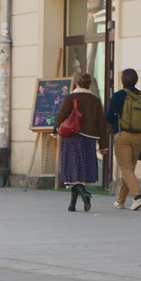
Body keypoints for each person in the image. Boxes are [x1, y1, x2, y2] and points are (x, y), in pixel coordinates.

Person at [54, 73, 108, 212]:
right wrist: (103, 145)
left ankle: (84, 194)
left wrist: (55, 129)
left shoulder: (71, 97)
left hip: (71, 137)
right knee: (82, 169)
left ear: (76, 83)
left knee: (72, 169)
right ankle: (72, 204)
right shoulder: (95, 100)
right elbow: (101, 124)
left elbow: (62, 115)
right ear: (89, 84)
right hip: (89, 138)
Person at [106, 68, 141, 210]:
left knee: (125, 168)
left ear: (122, 80)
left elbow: (109, 117)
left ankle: (137, 197)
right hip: (140, 136)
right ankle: (120, 201)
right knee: (129, 169)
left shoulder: (119, 95)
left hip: (123, 136)